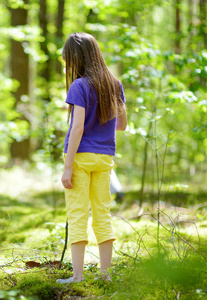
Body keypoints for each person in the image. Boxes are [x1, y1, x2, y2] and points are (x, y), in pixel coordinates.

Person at [57, 32, 127, 284]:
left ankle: (77, 276)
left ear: (77, 58)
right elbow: (122, 125)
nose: (67, 65)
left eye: (68, 60)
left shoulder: (79, 86)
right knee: (102, 213)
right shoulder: (114, 84)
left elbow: (77, 128)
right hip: (105, 158)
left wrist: (67, 167)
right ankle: (105, 275)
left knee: (78, 214)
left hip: (80, 157)